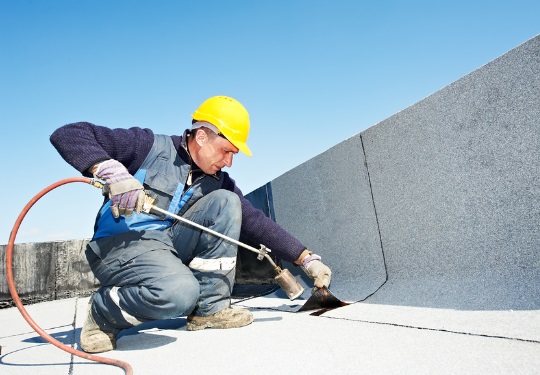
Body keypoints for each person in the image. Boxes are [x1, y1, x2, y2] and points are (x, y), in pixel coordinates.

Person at [50, 95, 332, 353]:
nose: (229, 162)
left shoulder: (216, 180)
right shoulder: (148, 146)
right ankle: (103, 312)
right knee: (180, 294)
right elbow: (68, 134)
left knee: (227, 202)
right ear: (201, 137)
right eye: (226, 151)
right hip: (120, 245)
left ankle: (209, 310)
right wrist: (110, 170)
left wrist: (306, 259)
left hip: (165, 246)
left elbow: (256, 222)